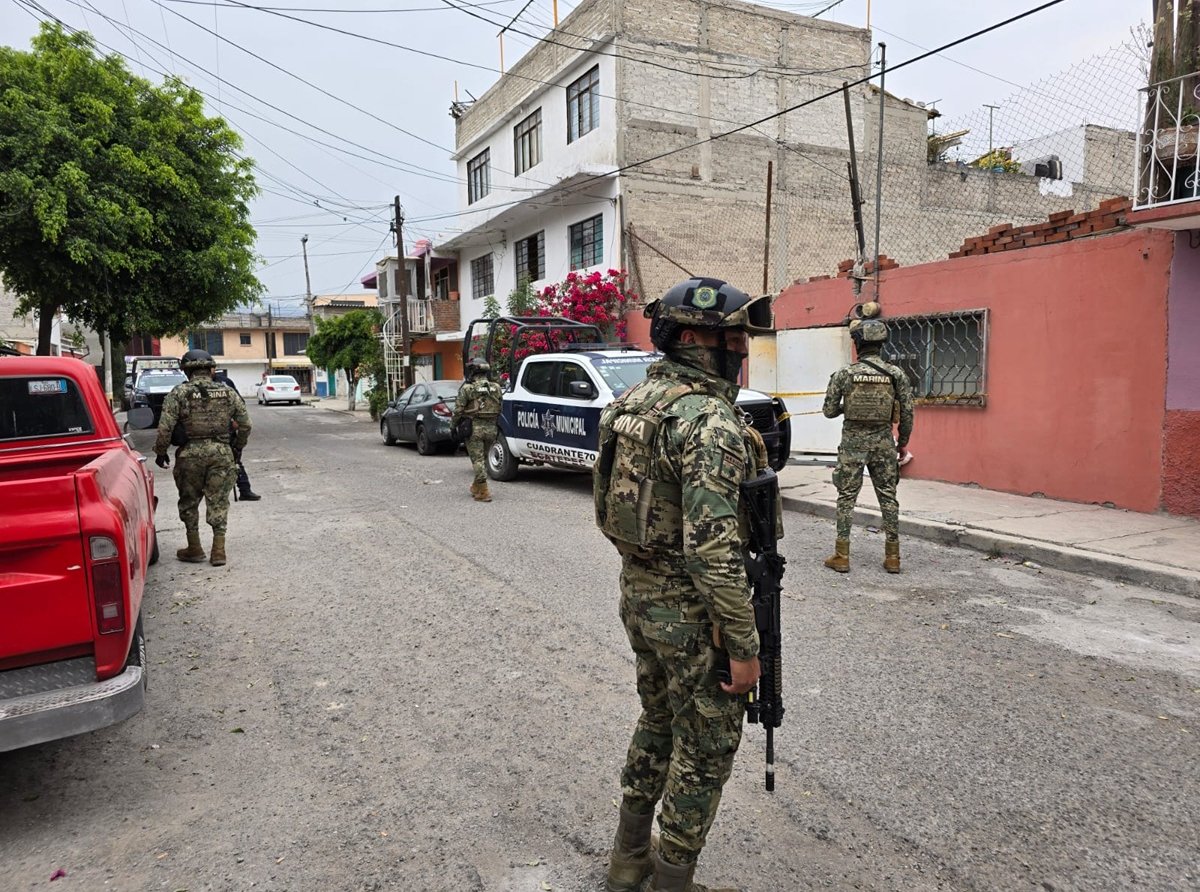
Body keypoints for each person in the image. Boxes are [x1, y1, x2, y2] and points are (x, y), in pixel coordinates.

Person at [594, 277, 777, 892]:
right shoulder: (710, 424)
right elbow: (714, 554)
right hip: (694, 612)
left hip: (639, 594)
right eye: (732, 337)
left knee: (657, 719)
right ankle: (672, 881)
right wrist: (746, 651)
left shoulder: (633, 403)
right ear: (697, 338)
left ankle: (626, 864)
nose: (741, 350)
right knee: (705, 746)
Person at [821, 301, 915, 574]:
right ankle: (893, 557)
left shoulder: (845, 374)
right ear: (882, 345)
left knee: (846, 497)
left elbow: (828, 411)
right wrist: (903, 442)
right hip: (884, 442)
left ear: (858, 344)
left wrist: (846, 406)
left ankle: (841, 555)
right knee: (888, 497)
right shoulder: (896, 374)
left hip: (852, 444)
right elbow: (907, 413)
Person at [154, 349, 251, 567]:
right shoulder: (227, 392)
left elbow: (165, 428)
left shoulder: (178, 393)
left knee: (189, 501)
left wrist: (161, 452)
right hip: (221, 454)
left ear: (187, 370)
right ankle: (218, 551)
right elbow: (246, 424)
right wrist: (237, 447)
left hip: (190, 456)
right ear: (210, 369)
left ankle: (194, 548)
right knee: (218, 501)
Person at [451, 360, 503, 502]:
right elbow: (500, 406)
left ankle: (484, 492)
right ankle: (476, 487)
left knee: (477, 460)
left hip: (474, 429)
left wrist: (452, 426)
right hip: (492, 429)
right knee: (483, 459)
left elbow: (458, 410)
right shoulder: (496, 387)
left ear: (472, 372)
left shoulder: (468, 388)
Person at [213, 369, 261, 501]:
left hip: (226, 429)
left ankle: (245, 489)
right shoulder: (190, 386)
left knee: (235, 460)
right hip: (204, 432)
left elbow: (240, 403)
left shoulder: (225, 383)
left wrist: (235, 421)